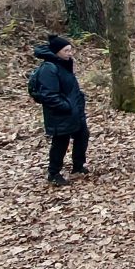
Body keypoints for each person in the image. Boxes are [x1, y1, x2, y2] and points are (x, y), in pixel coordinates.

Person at [31, 34, 88, 185]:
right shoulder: (49, 68)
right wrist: (66, 106)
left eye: (70, 50)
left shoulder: (64, 64)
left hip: (74, 110)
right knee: (60, 142)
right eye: (66, 51)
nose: (70, 53)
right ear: (57, 52)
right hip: (60, 114)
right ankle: (54, 173)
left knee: (82, 135)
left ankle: (78, 166)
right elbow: (49, 95)